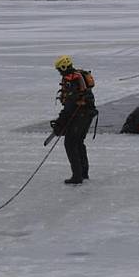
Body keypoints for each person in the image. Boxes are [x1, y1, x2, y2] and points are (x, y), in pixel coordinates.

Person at [50, 55, 96, 185]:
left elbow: (70, 105)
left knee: (70, 144)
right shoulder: (78, 76)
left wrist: (60, 122)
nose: (59, 72)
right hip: (87, 114)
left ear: (64, 67)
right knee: (78, 142)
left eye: (59, 69)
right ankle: (83, 172)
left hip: (81, 115)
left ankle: (77, 176)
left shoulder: (72, 80)